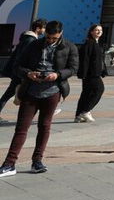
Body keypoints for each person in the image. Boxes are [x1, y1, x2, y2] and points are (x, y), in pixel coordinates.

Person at [0, 20, 78, 176]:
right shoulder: (33, 45)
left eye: (54, 38)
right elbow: (17, 66)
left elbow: (74, 68)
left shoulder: (69, 46)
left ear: (61, 33)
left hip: (53, 92)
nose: (50, 41)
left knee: (44, 126)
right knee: (21, 128)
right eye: (48, 37)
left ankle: (37, 161)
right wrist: (28, 73)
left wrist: (57, 75)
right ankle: (9, 164)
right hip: (30, 91)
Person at [0, 20, 45, 121]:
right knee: (13, 94)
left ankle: (40, 111)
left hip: (20, 72)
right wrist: (23, 72)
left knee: (10, 94)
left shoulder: (27, 38)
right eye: (43, 28)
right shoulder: (30, 40)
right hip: (21, 73)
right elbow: (23, 58)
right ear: (38, 28)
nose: (44, 30)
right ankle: (43, 110)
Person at [74, 24, 108, 123]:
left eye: (100, 30)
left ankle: (78, 115)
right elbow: (85, 60)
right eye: (96, 30)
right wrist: (83, 74)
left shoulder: (96, 43)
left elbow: (99, 60)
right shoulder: (89, 43)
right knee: (99, 89)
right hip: (91, 73)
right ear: (91, 32)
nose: (99, 32)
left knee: (86, 93)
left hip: (94, 72)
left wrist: (103, 70)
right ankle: (86, 111)